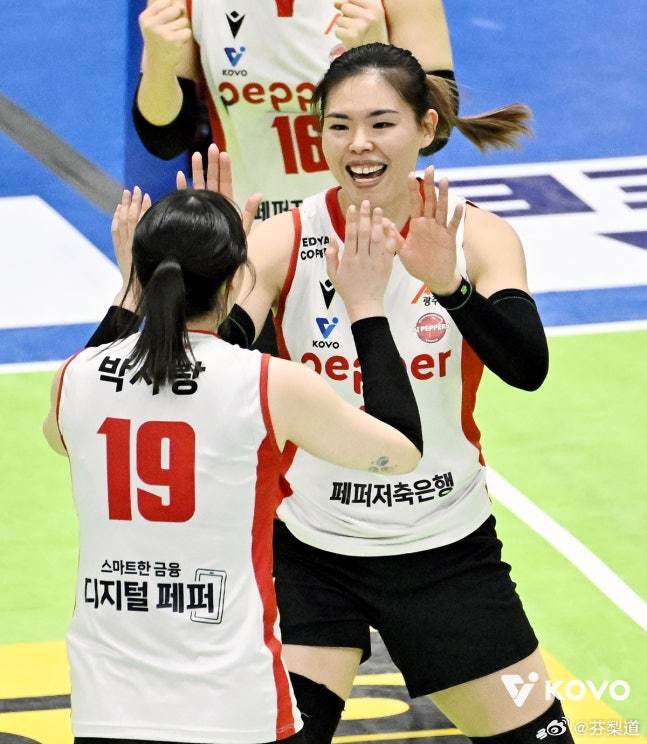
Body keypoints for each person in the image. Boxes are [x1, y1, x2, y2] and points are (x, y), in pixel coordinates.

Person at [219, 43, 568, 743]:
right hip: (309, 550)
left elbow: (527, 366)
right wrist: (208, 268)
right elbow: (210, 363)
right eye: (339, 125)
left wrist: (451, 287)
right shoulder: (284, 240)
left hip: (446, 548)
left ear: (426, 127)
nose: (358, 144)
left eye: (381, 123)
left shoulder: (478, 236)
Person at [43, 182, 424, 743]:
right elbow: (401, 449)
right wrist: (367, 307)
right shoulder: (268, 385)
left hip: (108, 703)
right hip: (231, 703)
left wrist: (129, 294)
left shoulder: (74, 379)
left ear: (141, 272)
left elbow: (64, 430)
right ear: (235, 278)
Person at [133, 0, 458, 215]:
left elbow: (437, 128)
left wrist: (378, 59)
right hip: (253, 233)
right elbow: (164, 138)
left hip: (371, 227)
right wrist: (160, 65)